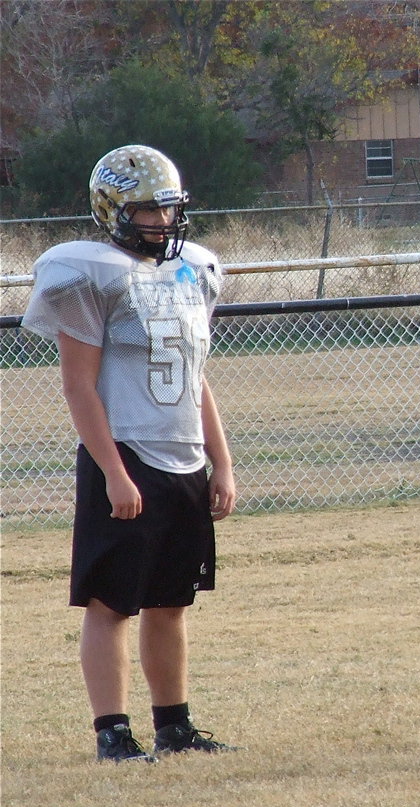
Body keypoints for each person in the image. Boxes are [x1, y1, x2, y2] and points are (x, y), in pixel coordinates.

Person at [22, 145, 239, 762]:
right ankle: (112, 731)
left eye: (169, 210)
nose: (164, 223)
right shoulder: (88, 273)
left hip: (183, 457)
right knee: (111, 601)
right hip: (125, 454)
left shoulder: (191, 270)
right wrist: (114, 472)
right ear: (114, 210)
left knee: (171, 602)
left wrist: (220, 461)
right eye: (149, 211)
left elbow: (196, 376)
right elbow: (78, 386)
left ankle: (174, 724)